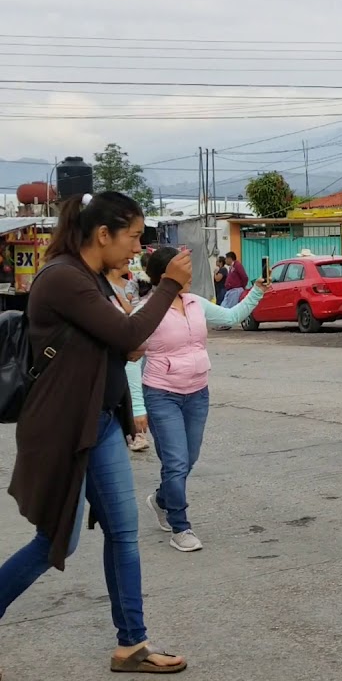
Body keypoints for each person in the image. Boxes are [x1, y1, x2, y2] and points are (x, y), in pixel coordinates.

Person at [2, 191, 190, 674]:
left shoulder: (90, 277)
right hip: (64, 428)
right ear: (102, 234)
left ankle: (132, 644)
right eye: (132, 236)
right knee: (55, 543)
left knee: (123, 534)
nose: (137, 247)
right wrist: (167, 286)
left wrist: (124, 338)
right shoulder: (64, 277)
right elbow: (129, 336)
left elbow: (118, 343)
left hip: (100, 422)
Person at [136, 246, 266, 553]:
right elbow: (130, 358)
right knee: (176, 461)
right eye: (184, 269)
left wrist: (257, 292)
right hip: (160, 393)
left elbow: (232, 316)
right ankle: (180, 526)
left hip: (197, 392)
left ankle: (161, 500)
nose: (191, 275)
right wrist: (138, 407)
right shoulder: (147, 309)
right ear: (164, 275)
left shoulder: (195, 303)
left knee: (188, 458)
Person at [106, 261, 150, 453]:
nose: (129, 263)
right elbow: (127, 312)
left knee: (138, 383)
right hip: (122, 344)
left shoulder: (130, 284)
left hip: (139, 340)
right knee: (128, 386)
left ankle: (137, 432)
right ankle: (134, 432)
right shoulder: (105, 286)